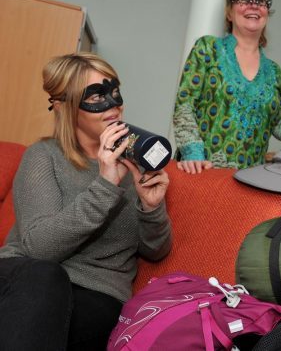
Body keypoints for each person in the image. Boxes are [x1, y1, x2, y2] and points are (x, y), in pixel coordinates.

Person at [0, 53, 172, 350]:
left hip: (96, 294)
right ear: (66, 106)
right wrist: (105, 185)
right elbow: (39, 249)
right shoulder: (44, 156)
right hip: (27, 276)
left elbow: (155, 252)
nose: (114, 104)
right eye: (97, 96)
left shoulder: (136, 165)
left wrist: (151, 209)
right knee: (46, 278)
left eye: (115, 93)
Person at [173, 0, 281, 174]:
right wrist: (193, 156)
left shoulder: (275, 73)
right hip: (199, 174)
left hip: (247, 185)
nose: (253, 4)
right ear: (229, 12)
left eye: (261, 0)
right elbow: (185, 104)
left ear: (267, 12)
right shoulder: (208, 48)